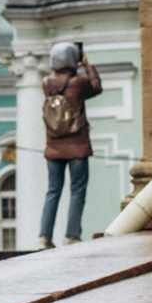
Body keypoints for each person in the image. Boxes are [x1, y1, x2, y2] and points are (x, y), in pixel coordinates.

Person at [39, 42, 105, 245]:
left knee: (53, 190)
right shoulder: (78, 83)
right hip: (77, 145)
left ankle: (44, 236)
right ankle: (71, 235)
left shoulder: (47, 83)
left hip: (54, 146)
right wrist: (87, 65)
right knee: (77, 189)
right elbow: (97, 88)